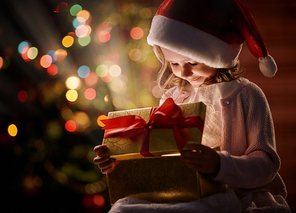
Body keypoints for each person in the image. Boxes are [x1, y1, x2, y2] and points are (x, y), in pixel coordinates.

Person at [93, 0, 291, 212]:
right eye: (174, 64)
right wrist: (122, 162)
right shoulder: (174, 99)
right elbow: (162, 156)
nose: (184, 73)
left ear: (217, 54)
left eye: (193, 63)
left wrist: (219, 165)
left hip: (236, 195)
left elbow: (266, 162)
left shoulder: (247, 96)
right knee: (124, 208)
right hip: (184, 192)